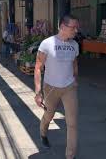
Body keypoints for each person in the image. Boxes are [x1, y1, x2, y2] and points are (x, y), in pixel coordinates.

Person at [34, 14, 79, 159]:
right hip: (51, 88)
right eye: (74, 27)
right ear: (63, 27)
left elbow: (74, 63)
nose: (76, 31)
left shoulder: (75, 45)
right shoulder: (47, 44)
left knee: (72, 123)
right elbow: (38, 67)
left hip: (69, 87)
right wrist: (38, 92)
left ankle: (70, 155)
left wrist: (75, 77)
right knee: (49, 115)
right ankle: (43, 133)